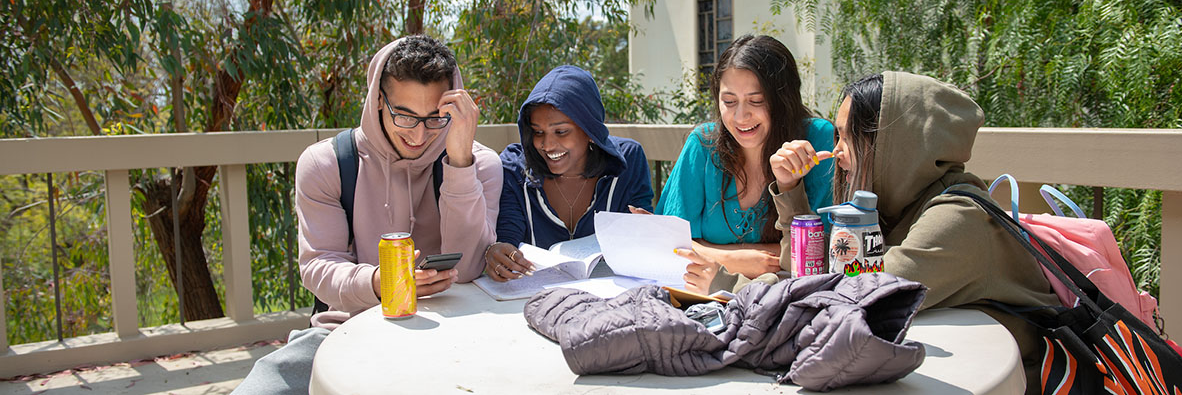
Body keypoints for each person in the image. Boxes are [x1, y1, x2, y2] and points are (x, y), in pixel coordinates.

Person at [682, 71, 1058, 391]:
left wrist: (731, 287)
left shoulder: (959, 218)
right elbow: (813, 275)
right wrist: (791, 191)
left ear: (896, 144)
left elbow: (847, 296)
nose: (837, 154)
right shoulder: (899, 209)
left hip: (1010, 383)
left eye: (848, 138)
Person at [233, 35, 503, 394]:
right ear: (378, 99)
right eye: (404, 116)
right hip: (345, 328)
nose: (419, 134)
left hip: (451, 332)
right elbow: (318, 267)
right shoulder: (327, 164)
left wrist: (458, 163)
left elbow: (468, 267)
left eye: (435, 118)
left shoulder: (477, 163)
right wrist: (380, 283)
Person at [656, 34, 835, 278]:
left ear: (783, 100)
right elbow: (667, 243)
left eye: (756, 101)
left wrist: (709, 254)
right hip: (704, 297)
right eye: (729, 102)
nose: (741, 117)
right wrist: (732, 260)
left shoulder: (817, 139)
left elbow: (822, 250)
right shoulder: (702, 144)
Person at [485, 65, 654, 280]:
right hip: (530, 303)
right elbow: (508, 234)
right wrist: (499, 252)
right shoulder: (515, 168)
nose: (547, 145)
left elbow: (641, 245)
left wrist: (650, 233)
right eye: (538, 132)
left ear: (590, 129)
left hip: (609, 300)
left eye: (561, 131)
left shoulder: (629, 160)